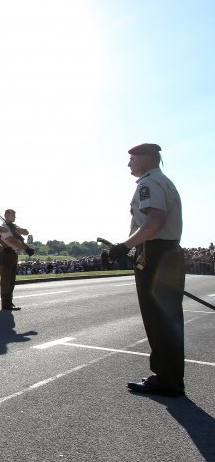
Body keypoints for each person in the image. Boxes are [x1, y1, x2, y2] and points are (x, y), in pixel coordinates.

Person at [108, 143, 185, 397]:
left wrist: (125, 246)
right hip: (167, 251)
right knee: (168, 319)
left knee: (158, 319)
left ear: (145, 159)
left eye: (132, 159)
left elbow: (155, 220)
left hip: (155, 253)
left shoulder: (148, 184)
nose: (129, 164)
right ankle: (169, 378)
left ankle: (166, 379)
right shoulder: (163, 181)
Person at [0, 209, 33, 311]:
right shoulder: (4, 227)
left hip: (13, 253)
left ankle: (9, 302)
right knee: (6, 280)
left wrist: (16, 228)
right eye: (12, 215)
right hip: (6, 254)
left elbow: (26, 232)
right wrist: (25, 248)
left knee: (11, 280)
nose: (14, 217)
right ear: (6, 216)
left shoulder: (13, 226)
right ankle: (5, 304)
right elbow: (11, 240)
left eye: (14, 215)